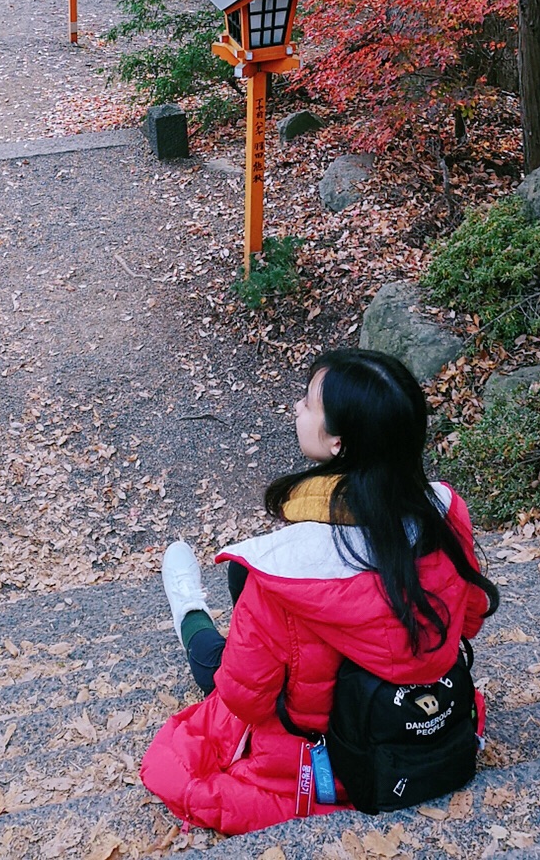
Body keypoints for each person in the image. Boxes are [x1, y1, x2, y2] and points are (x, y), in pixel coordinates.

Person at [141, 348, 499, 836]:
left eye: (308, 403)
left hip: (319, 766)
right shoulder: (444, 517)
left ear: (338, 442)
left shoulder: (286, 566)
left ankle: (188, 609)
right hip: (414, 734)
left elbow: (246, 700)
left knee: (214, 662)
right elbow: (470, 619)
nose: (296, 409)